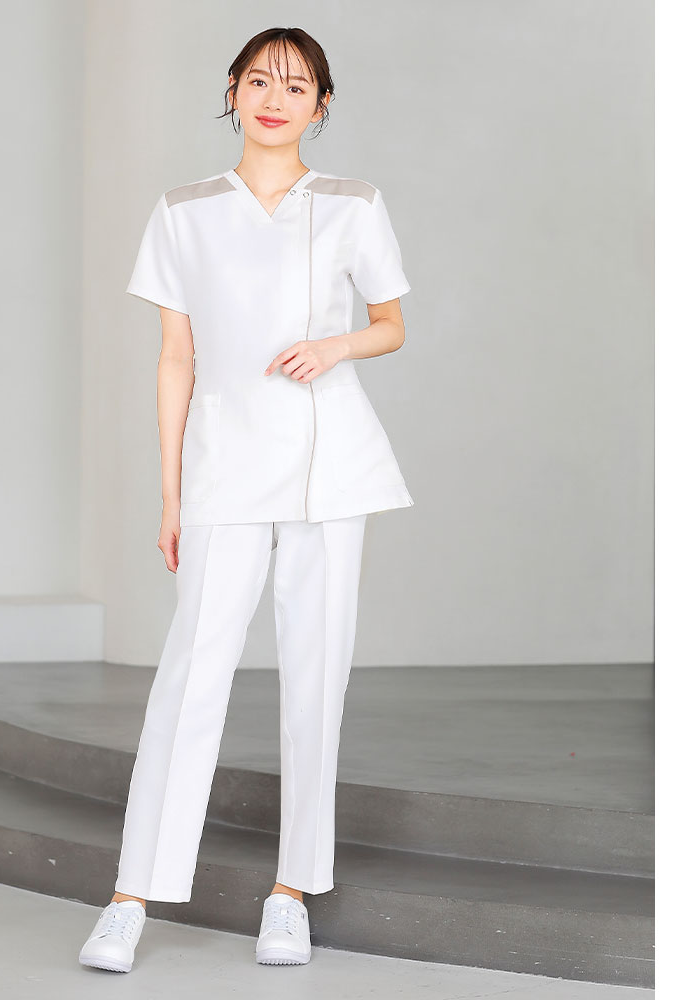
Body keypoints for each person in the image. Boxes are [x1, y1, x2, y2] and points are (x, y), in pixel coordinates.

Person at [80, 26, 413, 973]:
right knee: (191, 676)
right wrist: (171, 494)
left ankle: (290, 894)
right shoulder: (184, 212)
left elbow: (391, 324)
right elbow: (175, 359)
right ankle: (131, 897)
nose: (276, 98)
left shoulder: (352, 204)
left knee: (317, 677)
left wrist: (335, 346)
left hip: (330, 464)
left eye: (297, 85)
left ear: (322, 105)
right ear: (233, 89)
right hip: (224, 463)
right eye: (260, 80)